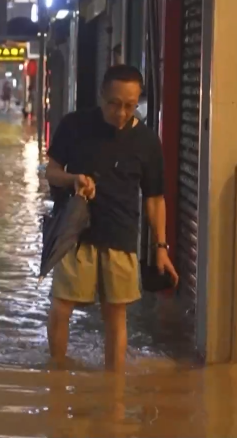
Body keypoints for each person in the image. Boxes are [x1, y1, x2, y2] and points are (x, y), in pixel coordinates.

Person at [43, 64, 179, 372]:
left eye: (130, 105)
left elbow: (155, 199)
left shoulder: (147, 142)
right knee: (61, 307)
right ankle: (55, 377)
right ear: (102, 96)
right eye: (114, 103)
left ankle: (114, 389)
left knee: (116, 315)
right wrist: (73, 179)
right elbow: (51, 171)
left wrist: (161, 247)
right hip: (74, 233)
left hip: (120, 234)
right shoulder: (74, 126)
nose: (121, 112)